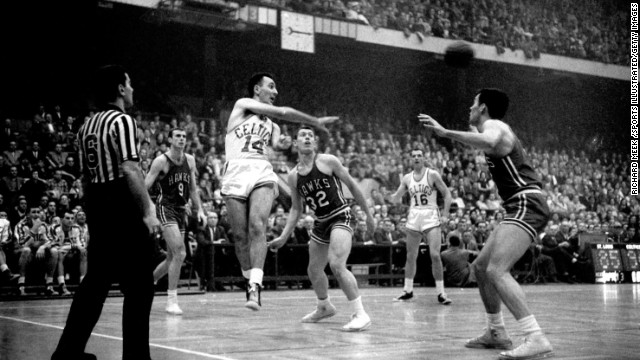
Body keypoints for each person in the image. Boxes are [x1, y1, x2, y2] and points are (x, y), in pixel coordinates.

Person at [420, 88, 553, 359]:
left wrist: (446, 133)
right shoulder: (496, 128)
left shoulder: (494, 125)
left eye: (473, 103)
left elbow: (490, 140)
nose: (469, 108)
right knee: (480, 267)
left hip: (527, 203)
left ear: (482, 108)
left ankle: (535, 336)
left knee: (496, 271)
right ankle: (496, 332)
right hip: (517, 205)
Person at [51, 65, 161, 360]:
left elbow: (86, 177)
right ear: (120, 89)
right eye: (130, 83)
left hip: (97, 203)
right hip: (121, 203)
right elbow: (130, 168)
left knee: (95, 284)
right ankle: (136, 357)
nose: (133, 89)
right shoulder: (122, 121)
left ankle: (67, 352)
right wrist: (148, 210)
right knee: (140, 285)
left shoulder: (86, 125)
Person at [221, 72, 337, 310]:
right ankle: (248, 278)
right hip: (235, 171)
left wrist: (282, 144)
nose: (275, 92)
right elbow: (284, 112)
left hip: (261, 170)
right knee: (240, 237)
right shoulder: (241, 106)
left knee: (257, 225)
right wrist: (314, 120)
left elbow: (275, 143)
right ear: (256, 89)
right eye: (271, 87)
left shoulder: (271, 125)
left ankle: (255, 285)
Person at [268, 126, 374, 331]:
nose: (307, 138)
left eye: (311, 136)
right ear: (296, 143)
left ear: (315, 143)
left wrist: (368, 215)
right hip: (321, 221)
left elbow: (352, 186)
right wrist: (283, 236)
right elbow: (296, 209)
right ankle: (324, 306)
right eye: (303, 136)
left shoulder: (327, 161)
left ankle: (360, 314)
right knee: (314, 270)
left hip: (341, 214)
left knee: (336, 265)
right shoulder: (293, 177)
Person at [145, 128, 206, 315]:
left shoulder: (190, 160)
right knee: (180, 252)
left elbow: (193, 189)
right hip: (165, 208)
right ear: (170, 139)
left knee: (173, 257)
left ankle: (146, 282)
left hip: (181, 210)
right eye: (177, 136)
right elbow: (144, 186)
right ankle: (171, 300)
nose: (181, 139)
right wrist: (150, 209)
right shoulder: (161, 161)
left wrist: (201, 210)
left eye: (183, 136)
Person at [389, 148, 452, 305]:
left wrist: (445, 214)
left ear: (424, 158)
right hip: (414, 215)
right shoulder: (406, 178)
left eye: (419, 155)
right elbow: (396, 197)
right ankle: (407, 290)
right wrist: (390, 198)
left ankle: (441, 293)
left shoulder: (432, 174)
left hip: (430, 215)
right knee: (411, 255)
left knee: (435, 255)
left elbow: (447, 194)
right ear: (411, 159)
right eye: (414, 156)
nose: (416, 158)